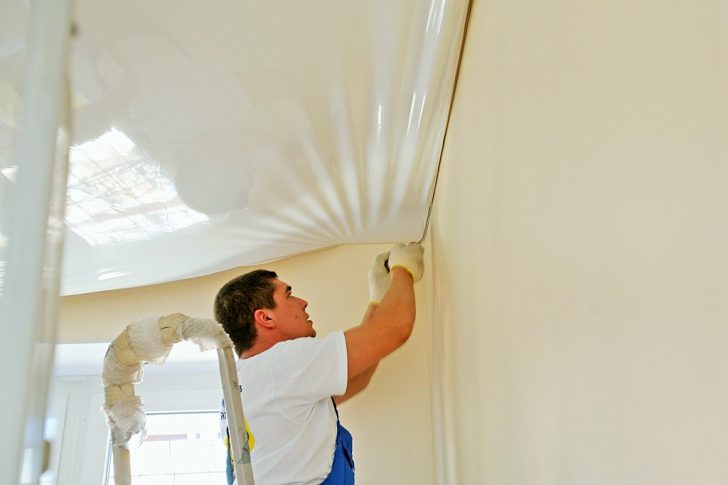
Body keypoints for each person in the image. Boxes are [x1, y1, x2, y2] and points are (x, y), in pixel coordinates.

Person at [215, 243, 425, 485]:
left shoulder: (245, 380)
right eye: (289, 294)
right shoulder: (282, 363)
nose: (302, 302)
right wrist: (403, 268)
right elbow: (396, 328)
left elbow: (355, 379)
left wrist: (377, 302)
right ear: (265, 317)